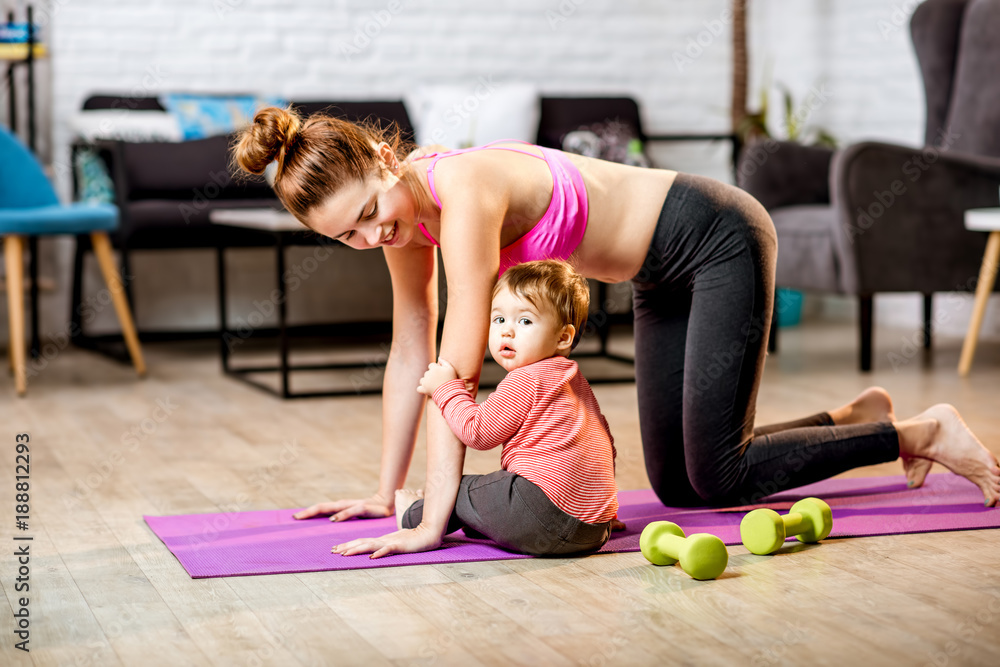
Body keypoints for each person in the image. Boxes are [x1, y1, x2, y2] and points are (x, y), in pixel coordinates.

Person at [230, 105, 1000, 559]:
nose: (373, 238)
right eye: (350, 239)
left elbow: (454, 368)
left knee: (720, 473)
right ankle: (843, 423)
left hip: (716, 235)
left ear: (382, 157)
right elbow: (411, 354)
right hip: (657, 274)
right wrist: (383, 490)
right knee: (679, 483)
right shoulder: (407, 223)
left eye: (369, 215)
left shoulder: (460, 191)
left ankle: (917, 432)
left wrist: (432, 520)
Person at [338, 259, 618, 558]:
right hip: (593, 530)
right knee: (490, 497)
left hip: (542, 518)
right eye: (498, 320)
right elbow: (606, 447)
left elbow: (478, 432)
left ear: (563, 337)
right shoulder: (574, 380)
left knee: (463, 489)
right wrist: (596, 511)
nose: (507, 332)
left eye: (524, 321)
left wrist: (445, 388)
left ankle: (413, 512)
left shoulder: (525, 379)